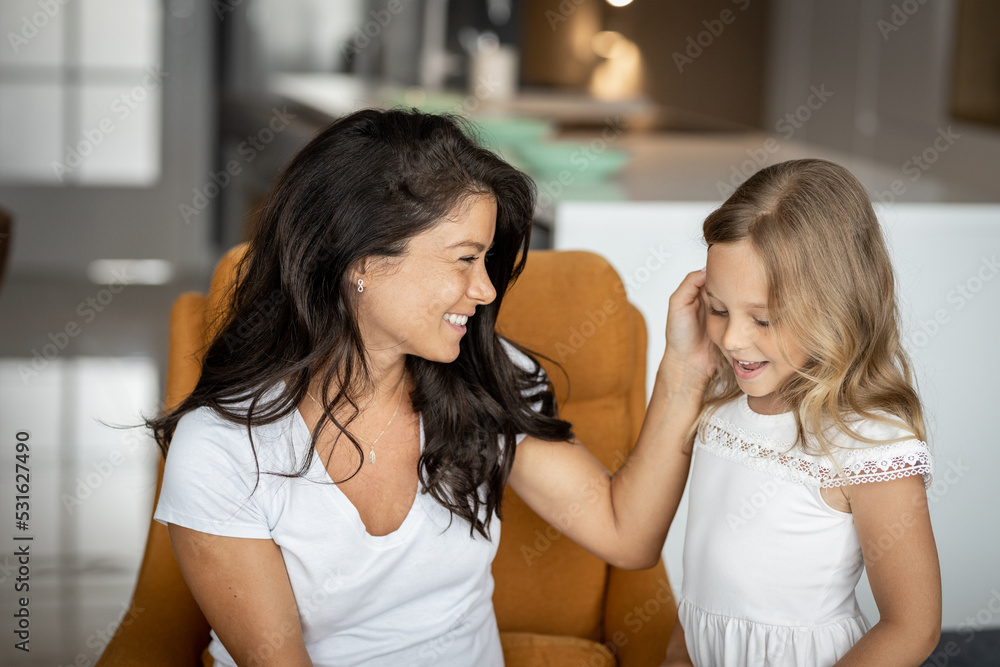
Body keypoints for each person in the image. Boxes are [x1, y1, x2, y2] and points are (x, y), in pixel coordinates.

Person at [150, 108, 714, 667]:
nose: (487, 289)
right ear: (362, 260)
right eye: (466, 259)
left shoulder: (485, 378)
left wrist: (685, 372)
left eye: (487, 260)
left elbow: (627, 534)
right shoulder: (223, 447)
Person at [663, 159, 941, 666]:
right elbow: (705, 595)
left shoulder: (868, 443)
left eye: (763, 319)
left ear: (835, 307)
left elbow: (913, 627)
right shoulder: (720, 414)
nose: (731, 338)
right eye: (719, 308)